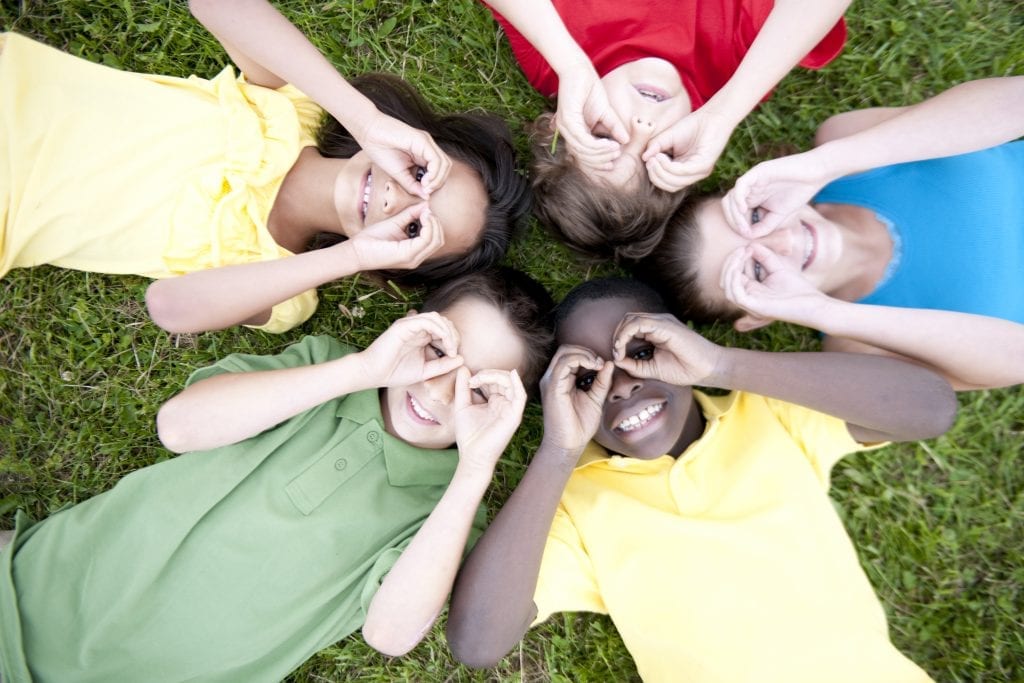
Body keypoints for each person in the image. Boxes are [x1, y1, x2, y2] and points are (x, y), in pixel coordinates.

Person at [0, 267, 554, 683]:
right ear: (408, 328)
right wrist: (361, 370)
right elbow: (179, 426)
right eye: (437, 350)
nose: (439, 390)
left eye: (478, 389)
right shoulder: (324, 365)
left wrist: (477, 466)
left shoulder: (451, 510)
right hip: (30, 592)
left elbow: (390, 634)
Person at [446, 278, 956, 682]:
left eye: (641, 352)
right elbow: (478, 641)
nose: (621, 387)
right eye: (587, 380)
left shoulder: (774, 413)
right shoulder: (576, 503)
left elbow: (933, 408)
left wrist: (721, 364)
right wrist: (559, 449)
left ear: (679, 340)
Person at [0, 0, 530, 334]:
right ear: (415, 142)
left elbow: (169, 306)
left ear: (400, 260)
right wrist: (365, 121)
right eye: (421, 177)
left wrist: (357, 254)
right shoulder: (291, 109)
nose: (397, 198)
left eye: (416, 226)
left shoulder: (287, 290)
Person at [638, 76, 1024, 390]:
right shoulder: (856, 348)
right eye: (755, 271)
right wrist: (828, 315)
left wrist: (824, 165)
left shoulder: (845, 150)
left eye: (756, 218)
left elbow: (1016, 100)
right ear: (756, 317)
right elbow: (1016, 360)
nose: (783, 241)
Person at [479, 0, 848, 261]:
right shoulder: (733, 80)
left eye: (606, 137)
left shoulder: (557, 65)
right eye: (658, 152)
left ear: (562, 124)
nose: (642, 128)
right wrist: (729, 110)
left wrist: (570, 63)